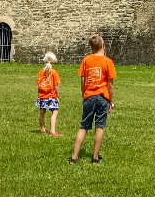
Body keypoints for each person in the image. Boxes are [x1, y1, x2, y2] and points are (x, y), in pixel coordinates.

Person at [68, 34, 116, 164]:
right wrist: (110, 101)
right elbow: (110, 84)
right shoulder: (108, 61)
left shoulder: (86, 60)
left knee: (83, 126)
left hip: (89, 96)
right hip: (103, 97)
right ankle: (95, 158)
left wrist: (84, 94)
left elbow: (83, 79)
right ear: (103, 45)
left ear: (91, 47)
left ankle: (74, 157)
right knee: (99, 126)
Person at [36, 52, 61, 136]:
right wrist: (57, 96)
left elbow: (38, 85)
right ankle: (52, 131)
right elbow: (56, 85)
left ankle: (42, 129)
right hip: (51, 95)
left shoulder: (40, 72)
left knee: (42, 112)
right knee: (55, 112)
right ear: (53, 61)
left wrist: (39, 94)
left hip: (42, 95)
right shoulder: (54, 72)